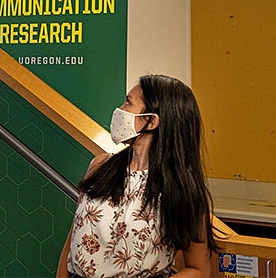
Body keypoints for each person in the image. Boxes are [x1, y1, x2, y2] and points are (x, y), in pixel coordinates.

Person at [58, 74, 218, 278]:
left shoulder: (182, 191)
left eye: (128, 103)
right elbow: (73, 238)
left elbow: (199, 270)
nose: (120, 110)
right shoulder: (100, 166)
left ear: (151, 121)